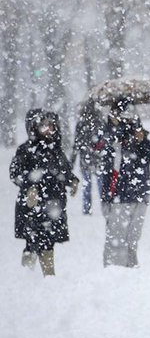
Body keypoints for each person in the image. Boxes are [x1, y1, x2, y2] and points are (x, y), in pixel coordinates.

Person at [10, 109, 79, 276]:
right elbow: (15, 174)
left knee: (49, 240)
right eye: (43, 126)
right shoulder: (26, 150)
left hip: (53, 203)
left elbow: (63, 171)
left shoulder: (56, 150)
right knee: (32, 240)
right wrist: (29, 187)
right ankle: (27, 274)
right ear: (34, 128)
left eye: (51, 126)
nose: (49, 129)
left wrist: (72, 181)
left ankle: (48, 275)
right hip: (33, 206)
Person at [101, 114, 150, 267]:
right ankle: (115, 268)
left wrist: (141, 141)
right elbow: (108, 172)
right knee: (117, 236)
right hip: (120, 197)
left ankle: (131, 265)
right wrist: (107, 198)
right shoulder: (114, 143)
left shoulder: (140, 144)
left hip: (139, 196)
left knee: (133, 235)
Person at [71, 99, 105, 215]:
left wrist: (72, 162)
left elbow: (76, 144)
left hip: (86, 158)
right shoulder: (99, 121)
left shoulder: (82, 123)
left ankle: (87, 208)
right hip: (97, 158)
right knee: (100, 185)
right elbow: (104, 140)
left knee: (87, 185)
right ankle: (103, 207)